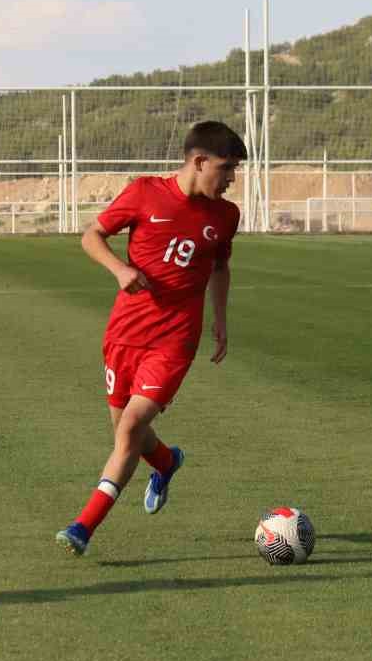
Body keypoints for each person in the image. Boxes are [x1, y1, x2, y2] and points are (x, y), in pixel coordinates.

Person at [55, 121, 245, 556]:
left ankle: (83, 527)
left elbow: (219, 267)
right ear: (199, 162)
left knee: (131, 428)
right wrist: (120, 270)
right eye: (226, 167)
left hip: (175, 340)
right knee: (127, 433)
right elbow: (92, 236)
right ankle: (165, 462)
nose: (232, 179)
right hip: (124, 333)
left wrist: (221, 318)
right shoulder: (144, 193)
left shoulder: (226, 216)